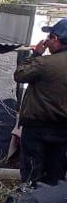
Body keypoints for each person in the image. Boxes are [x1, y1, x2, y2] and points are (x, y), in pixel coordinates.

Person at [13, 18, 67, 185]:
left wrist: (36, 53)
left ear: (55, 39)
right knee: (55, 177)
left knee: (31, 176)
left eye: (49, 38)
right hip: (63, 130)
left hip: (38, 128)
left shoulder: (44, 63)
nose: (48, 42)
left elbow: (20, 75)